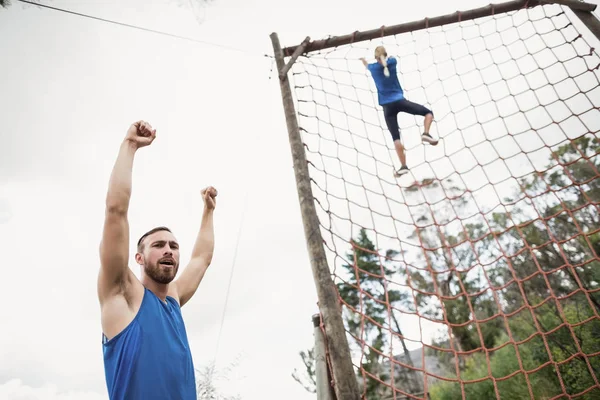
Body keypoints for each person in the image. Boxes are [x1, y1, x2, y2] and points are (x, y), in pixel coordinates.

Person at [97, 120, 217, 400]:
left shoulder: (173, 300)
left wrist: (208, 212)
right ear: (138, 257)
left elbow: (201, 258)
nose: (169, 251)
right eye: (159, 245)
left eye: (174, 246)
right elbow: (116, 210)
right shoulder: (122, 295)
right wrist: (129, 146)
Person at [361, 45, 438, 177]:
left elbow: (367, 65)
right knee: (428, 113)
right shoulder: (392, 62)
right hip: (399, 101)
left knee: (396, 138)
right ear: (385, 55)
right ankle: (425, 133)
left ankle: (403, 166)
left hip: (387, 107)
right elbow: (391, 58)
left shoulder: (373, 69)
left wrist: (363, 60)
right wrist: (387, 57)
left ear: (376, 58)